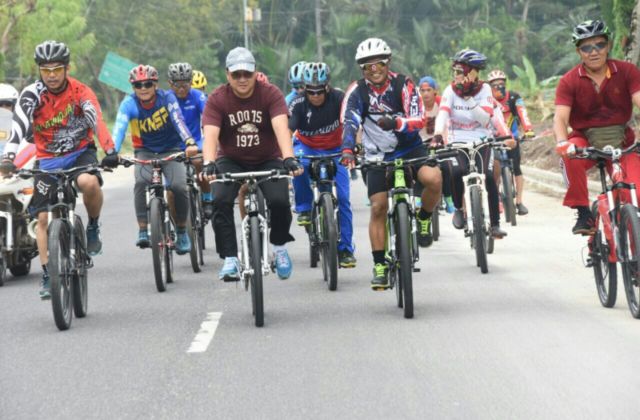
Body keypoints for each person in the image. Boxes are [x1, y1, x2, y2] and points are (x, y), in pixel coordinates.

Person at [0, 40, 117, 299]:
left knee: (89, 183)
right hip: (48, 160)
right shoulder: (32, 94)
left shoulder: (81, 91)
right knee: (42, 219)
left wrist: (109, 151)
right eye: (46, 69)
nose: (51, 75)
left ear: (67, 68)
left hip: (79, 154)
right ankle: (46, 272)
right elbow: (18, 125)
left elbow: (95, 120)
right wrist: (9, 157)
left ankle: (93, 226)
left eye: (56, 69)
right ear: (39, 70)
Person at [340, 37, 442, 290]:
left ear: (388, 63)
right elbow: (350, 122)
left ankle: (425, 217)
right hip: (377, 155)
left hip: (409, 147)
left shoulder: (403, 84)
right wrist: (347, 149)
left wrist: (397, 123)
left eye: (379, 64)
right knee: (378, 207)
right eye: (367, 66)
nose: (374, 70)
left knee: (434, 179)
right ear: (361, 69)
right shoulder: (356, 91)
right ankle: (380, 264)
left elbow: (418, 119)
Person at [200, 47, 303, 281]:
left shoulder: (270, 93)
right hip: (231, 160)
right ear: (228, 75)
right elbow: (211, 134)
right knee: (219, 201)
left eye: (247, 73)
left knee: (279, 201)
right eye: (237, 75)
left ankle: (279, 248)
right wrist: (208, 163)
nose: (243, 79)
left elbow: (280, 127)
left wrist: (288, 158)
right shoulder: (217, 99)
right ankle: (230, 258)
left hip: (268, 157)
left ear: (255, 72)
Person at [554, 19, 640, 234]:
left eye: (599, 45)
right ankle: (583, 213)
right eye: (586, 47)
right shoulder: (568, 80)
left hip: (622, 142)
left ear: (608, 46)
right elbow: (560, 118)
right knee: (569, 156)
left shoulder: (627, 71)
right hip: (585, 142)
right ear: (578, 51)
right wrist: (563, 142)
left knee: (635, 194)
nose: (594, 52)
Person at [112, 64, 198, 253]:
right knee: (141, 182)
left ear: (155, 85)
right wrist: (112, 151)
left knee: (179, 186)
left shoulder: (167, 98)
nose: (143, 89)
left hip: (171, 149)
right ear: (133, 87)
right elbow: (119, 127)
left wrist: (190, 142)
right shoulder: (129, 103)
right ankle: (143, 229)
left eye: (148, 84)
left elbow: (178, 120)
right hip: (144, 151)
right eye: (138, 85)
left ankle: (182, 230)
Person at [433, 49, 514, 239]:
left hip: (481, 139)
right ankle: (459, 209)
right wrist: (438, 134)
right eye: (455, 72)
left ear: (473, 72)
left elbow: (486, 119)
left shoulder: (485, 90)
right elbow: (443, 114)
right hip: (457, 139)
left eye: (461, 72)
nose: (457, 76)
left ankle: (494, 224)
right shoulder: (450, 90)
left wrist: (469, 98)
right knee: (455, 172)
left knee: (487, 176)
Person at [289, 62, 356, 268]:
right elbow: (287, 130)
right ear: (305, 88)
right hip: (307, 147)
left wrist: (351, 148)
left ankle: (345, 249)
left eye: (320, 91)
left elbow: (351, 124)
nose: (316, 96)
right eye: (311, 91)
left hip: (336, 149)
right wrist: (285, 156)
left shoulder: (339, 99)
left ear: (328, 86)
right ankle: (303, 207)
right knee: (297, 165)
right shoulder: (298, 103)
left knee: (344, 199)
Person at [167, 62, 214, 218]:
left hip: (196, 141)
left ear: (191, 82)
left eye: (185, 84)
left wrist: (213, 141)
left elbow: (209, 118)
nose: (181, 88)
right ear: (170, 83)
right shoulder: (165, 98)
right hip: (173, 145)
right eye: (177, 85)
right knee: (171, 192)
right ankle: (179, 228)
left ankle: (207, 197)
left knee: (199, 162)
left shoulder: (198, 96)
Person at [487, 69, 535, 216]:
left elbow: (523, 113)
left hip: (512, 138)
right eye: (494, 85)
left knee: (517, 167)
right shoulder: (486, 99)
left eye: (501, 84)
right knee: (493, 170)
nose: (498, 87)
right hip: (493, 138)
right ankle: (498, 199)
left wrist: (528, 129)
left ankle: (519, 202)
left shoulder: (514, 97)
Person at [417, 75, 455, 214]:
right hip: (420, 144)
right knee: (419, 167)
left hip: (438, 141)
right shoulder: (417, 106)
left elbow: (448, 122)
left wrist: (446, 141)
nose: (426, 93)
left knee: (446, 166)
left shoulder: (441, 103)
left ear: (435, 91)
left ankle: (449, 197)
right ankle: (418, 197)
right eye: (423, 90)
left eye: (429, 90)